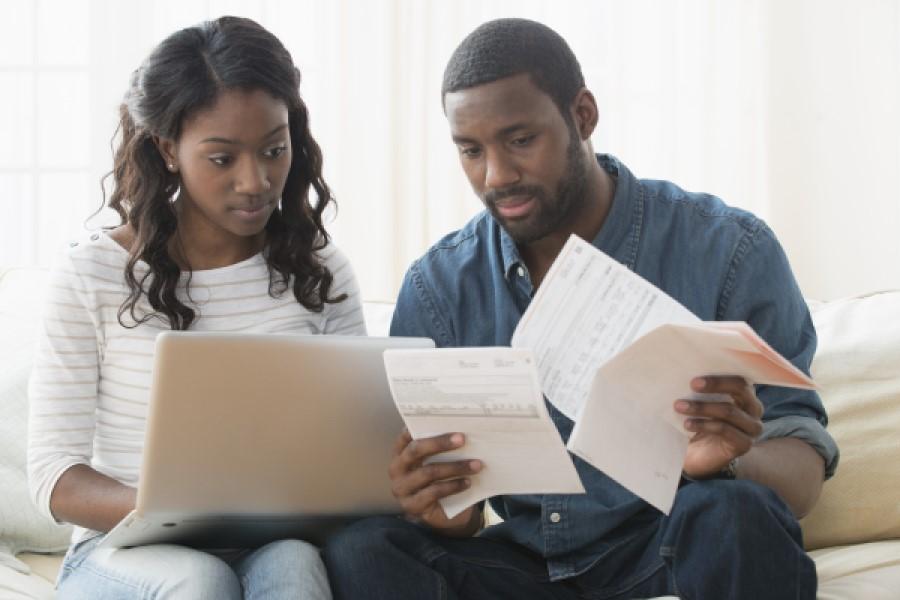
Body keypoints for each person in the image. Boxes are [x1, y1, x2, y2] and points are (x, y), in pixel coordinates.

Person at [323, 17, 839, 600]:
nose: (496, 176)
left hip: (668, 546)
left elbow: (801, 472)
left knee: (733, 511)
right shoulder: (438, 288)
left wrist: (724, 463)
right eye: (471, 151)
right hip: (522, 568)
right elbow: (459, 510)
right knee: (363, 549)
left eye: (521, 140)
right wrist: (444, 508)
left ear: (583, 115)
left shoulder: (729, 250)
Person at [27, 16, 364, 600]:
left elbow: (356, 442)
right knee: (199, 578)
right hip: (123, 551)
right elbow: (55, 477)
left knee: (295, 567)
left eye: (274, 150)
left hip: (270, 538)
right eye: (221, 158)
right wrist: (176, 513)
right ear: (168, 150)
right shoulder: (91, 274)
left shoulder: (319, 268)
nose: (255, 181)